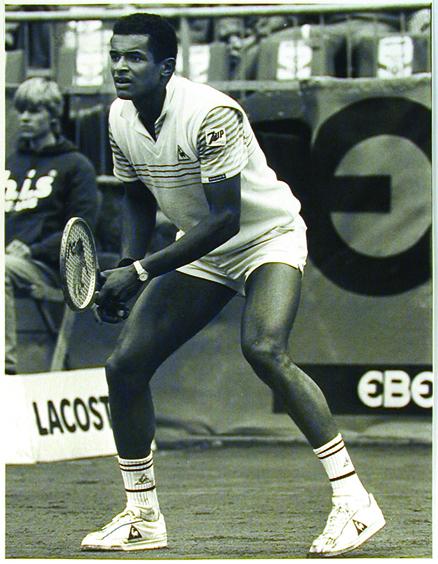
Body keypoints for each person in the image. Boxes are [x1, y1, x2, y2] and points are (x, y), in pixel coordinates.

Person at [81, 13, 385, 557]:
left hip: (267, 237)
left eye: (135, 58)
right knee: (124, 366)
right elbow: (134, 196)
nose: (120, 68)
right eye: (115, 55)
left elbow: (225, 219)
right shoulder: (119, 116)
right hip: (201, 248)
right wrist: (127, 263)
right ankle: (142, 515)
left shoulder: (212, 114)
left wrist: (143, 271)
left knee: (264, 348)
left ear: (166, 67)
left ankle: (355, 502)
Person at [4, 77, 99, 375]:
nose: (25, 118)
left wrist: (31, 250)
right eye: (21, 111)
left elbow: (82, 230)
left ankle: (4, 368)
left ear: (53, 115)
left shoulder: (76, 165)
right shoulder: (10, 162)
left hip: (49, 267)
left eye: (34, 111)